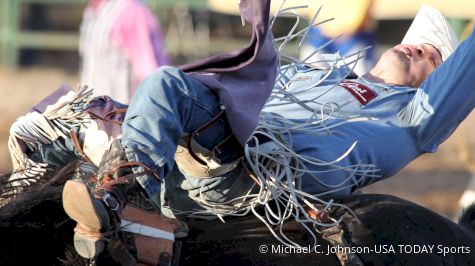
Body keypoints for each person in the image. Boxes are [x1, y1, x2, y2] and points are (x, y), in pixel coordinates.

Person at [5, 2, 467, 260]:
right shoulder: (320, 75)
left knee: (166, 83)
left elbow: (465, 68)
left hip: (259, 171)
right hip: (214, 148)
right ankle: (130, 202)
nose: (417, 45)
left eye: (431, 54)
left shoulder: (416, 118)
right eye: (413, 39)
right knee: (40, 131)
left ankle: (124, 197)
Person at [79, 0, 169, 103]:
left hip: (123, 112)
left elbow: (151, 72)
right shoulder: (92, 11)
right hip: (93, 111)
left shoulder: (129, 10)